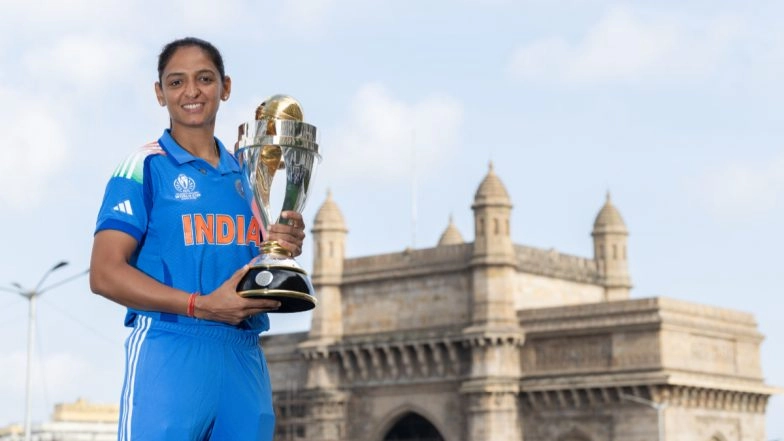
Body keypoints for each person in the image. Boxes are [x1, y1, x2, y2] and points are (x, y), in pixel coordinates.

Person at [89, 37, 304, 441]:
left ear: (225, 87)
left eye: (204, 79)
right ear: (160, 93)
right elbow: (104, 274)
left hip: (244, 354)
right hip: (171, 349)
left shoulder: (251, 171)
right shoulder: (144, 167)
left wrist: (283, 242)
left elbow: (260, 261)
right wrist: (200, 305)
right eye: (176, 82)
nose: (191, 92)